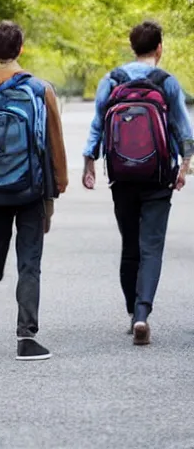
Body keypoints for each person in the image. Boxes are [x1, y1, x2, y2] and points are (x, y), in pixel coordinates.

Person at [0, 21, 68, 361]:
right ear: (20, 49)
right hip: (30, 189)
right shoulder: (38, 89)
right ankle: (26, 336)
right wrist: (58, 182)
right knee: (29, 262)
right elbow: (54, 140)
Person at [82, 20, 193, 345]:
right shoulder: (166, 82)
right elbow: (184, 130)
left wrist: (89, 163)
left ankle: (133, 314)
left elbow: (97, 125)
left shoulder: (112, 80)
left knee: (130, 246)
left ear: (132, 48)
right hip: (158, 174)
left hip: (121, 175)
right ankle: (143, 313)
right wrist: (183, 167)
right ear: (159, 48)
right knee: (152, 246)